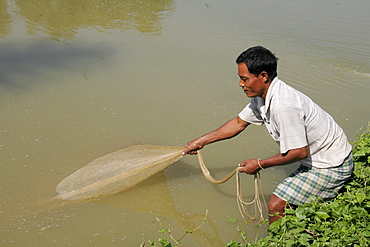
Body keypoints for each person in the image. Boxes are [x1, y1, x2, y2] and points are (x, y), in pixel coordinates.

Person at [182, 46, 353, 224]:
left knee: (276, 205)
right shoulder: (261, 96)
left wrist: (259, 164)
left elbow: (298, 152)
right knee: (289, 204)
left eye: (244, 79)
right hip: (318, 158)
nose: (241, 84)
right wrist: (200, 142)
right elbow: (239, 123)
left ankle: (277, 241)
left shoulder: (284, 105)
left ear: (263, 76)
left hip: (332, 165)